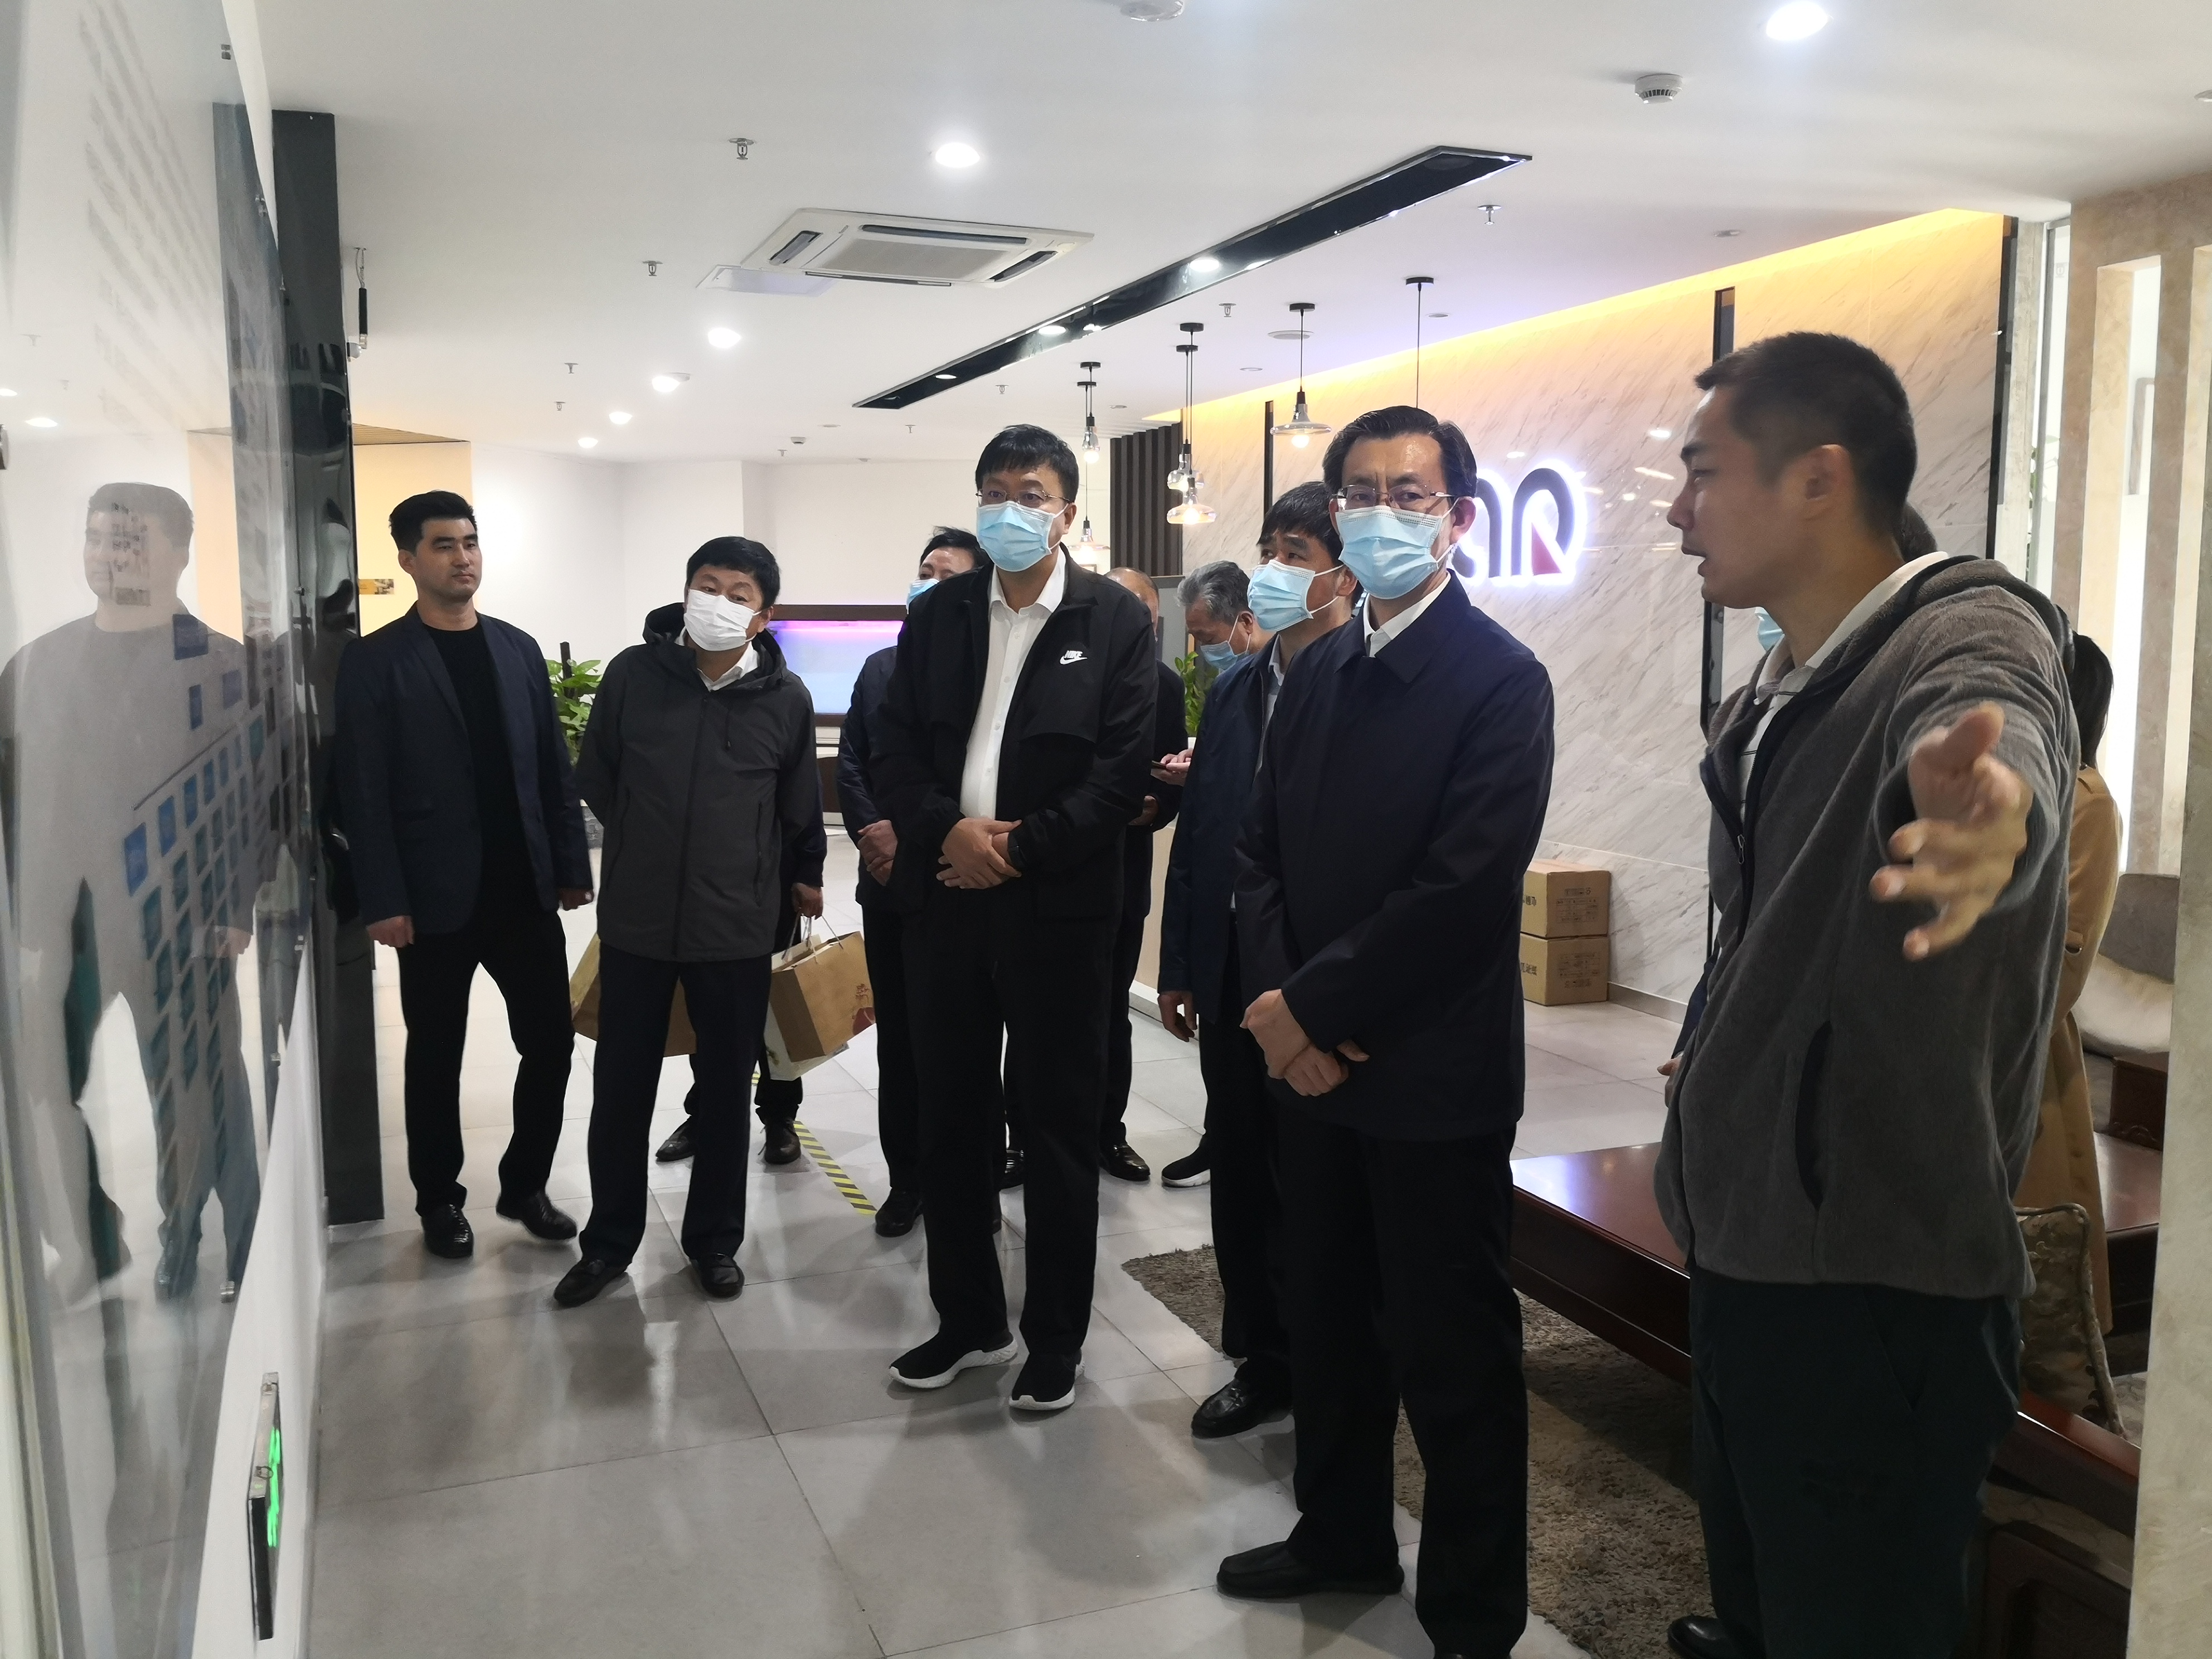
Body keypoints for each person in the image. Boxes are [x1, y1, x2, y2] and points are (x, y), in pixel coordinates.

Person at [1655, 332, 2073, 1659]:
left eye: (1701, 471)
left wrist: (1989, 817)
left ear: (1816, 480)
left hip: (1870, 1286)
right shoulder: (1780, 681)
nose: (1676, 510)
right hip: (1752, 1250)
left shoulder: (1963, 634)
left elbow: (1992, 729)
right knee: (1768, 1603)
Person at [1217, 410, 1554, 1659]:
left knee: (1449, 1346)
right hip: (1310, 1069)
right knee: (1326, 1317)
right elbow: (1259, 857)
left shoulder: (1499, 679)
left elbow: (1461, 889)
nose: (1378, 514)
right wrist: (1283, 1016)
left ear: (1457, 518)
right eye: (1357, 493)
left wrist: (1311, 1010)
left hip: (1430, 1070)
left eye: (1407, 494)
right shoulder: (1316, 672)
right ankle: (1339, 1532)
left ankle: (1472, 1608)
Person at [870, 423, 1155, 1413]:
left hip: (1059, 913)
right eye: (992, 491)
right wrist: (946, 832)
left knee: (1057, 1126)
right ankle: (969, 1321)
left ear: (1065, 512)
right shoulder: (940, 613)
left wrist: (1016, 851)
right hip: (946, 904)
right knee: (948, 1117)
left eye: (1028, 493)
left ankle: (1054, 1338)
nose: (1008, 509)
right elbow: (893, 748)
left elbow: (1120, 774)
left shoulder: (1113, 619)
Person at [556, 537, 824, 1307]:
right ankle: (608, 1243)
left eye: (739, 595)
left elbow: (797, 807)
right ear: (685, 592)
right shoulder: (633, 675)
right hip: (637, 923)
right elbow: (599, 775)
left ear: (763, 616)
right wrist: (647, 840)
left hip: (735, 927)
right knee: (621, 1089)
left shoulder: (786, 698)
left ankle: (714, 1242)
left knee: (724, 1090)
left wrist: (800, 878)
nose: (719, 603)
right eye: (708, 586)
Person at [333, 490, 592, 1261]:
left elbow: (552, 769)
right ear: (409, 560)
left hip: (522, 891)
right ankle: (439, 1199)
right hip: (431, 899)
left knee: (551, 1043)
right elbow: (363, 790)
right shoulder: (377, 659)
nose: (463, 558)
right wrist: (383, 898)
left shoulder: (516, 648)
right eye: (444, 545)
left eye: (471, 542)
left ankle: (525, 1184)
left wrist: (570, 865)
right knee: (435, 1054)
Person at [1158, 484, 1357, 1439]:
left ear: (1342, 574)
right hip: (1233, 971)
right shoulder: (1238, 687)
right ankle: (1261, 1352)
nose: (1273, 571)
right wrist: (1180, 964)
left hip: (1321, 986)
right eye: (1270, 549)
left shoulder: (1369, 684)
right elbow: (1202, 837)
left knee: (1319, 1180)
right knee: (1240, 1166)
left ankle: (1332, 1357)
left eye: (1296, 552)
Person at [836, 527, 992, 1237]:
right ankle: (907, 1182)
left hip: (964, 882)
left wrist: (926, 834)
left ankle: (975, 1182)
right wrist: (877, 830)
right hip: (891, 885)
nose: (929, 583)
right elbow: (855, 762)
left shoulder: (991, 665)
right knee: (899, 1040)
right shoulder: (879, 667)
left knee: (969, 1045)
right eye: (923, 570)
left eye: (946, 573)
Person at [2014, 634, 2121, 1329]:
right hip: (1951, 1038)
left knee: (2036, 1269)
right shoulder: (2010, 786)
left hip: (2020, 1048)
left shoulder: (2084, 801)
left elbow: (2064, 958)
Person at [1088, 565, 1187, 1184]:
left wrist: (1154, 808)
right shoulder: (1064, 671)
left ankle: (1108, 1132)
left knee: (1110, 1012)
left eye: (1142, 615)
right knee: (1039, 1012)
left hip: (1123, 872)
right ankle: (1024, 1133)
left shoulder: (1164, 685)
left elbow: (1169, 777)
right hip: (1055, 869)